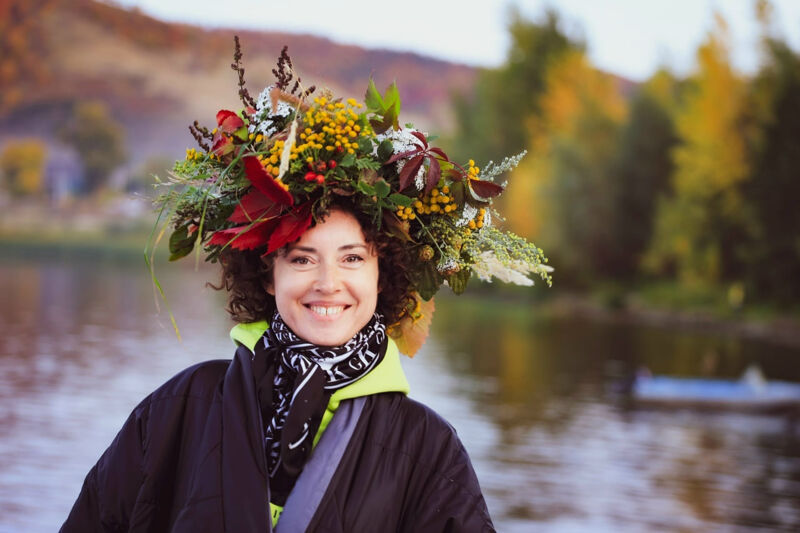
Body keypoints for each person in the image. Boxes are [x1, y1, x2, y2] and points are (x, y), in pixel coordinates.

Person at [61, 39, 551, 533]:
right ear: (267, 274)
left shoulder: (427, 450)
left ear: (384, 276)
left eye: (353, 258)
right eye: (301, 258)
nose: (327, 284)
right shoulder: (179, 410)